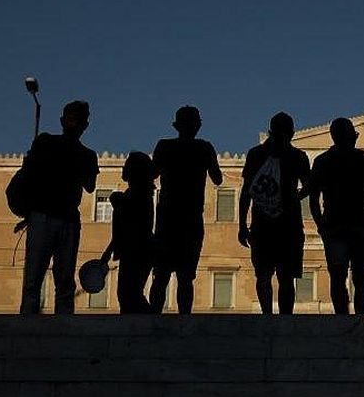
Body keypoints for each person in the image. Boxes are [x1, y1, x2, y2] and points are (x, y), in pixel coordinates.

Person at [19, 101, 99, 314]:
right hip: (46, 216)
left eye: (77, 120)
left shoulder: (85, 154)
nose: (74, 125)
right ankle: (29, 324)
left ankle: (58, 324)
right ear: (63, 121)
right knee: (36, 279)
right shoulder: (47, 143)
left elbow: (90, 186)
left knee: (62, 282)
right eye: (72, 119)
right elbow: (29, 173)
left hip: (64, 219)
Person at [309, 118, 364, 314]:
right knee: (361, 278)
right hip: (360, 227)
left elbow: (313, 199)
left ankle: (341, 320)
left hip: (335, 228)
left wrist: (321, 226)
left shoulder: (322, 161)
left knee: (338, 277)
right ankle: (359, 320)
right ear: (351, 137)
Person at [149, 106, 222, 314]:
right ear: (198, 125)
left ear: (176, 126)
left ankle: (156, 317)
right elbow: (217, 178)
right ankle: (183, 320)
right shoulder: (204, 148)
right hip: (188, 218)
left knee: (163, 275)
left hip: (169, 218)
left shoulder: (165, 147)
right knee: (184, 276)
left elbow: (152, 174)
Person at [238, 112, 310, 314]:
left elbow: (246, 192)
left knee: (267, 275)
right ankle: (280, 318)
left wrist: (242, 225)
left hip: (267, 224)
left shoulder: (256, 155)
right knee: (281, 276)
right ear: (292, 134)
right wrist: (293, 198)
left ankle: (268, 316)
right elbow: (308, 187)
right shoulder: (297, 156)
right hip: (285, 225)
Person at [102, 152, 155, 314]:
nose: (124, 169)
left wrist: (119, 201)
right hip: (135, 250)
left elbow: (129, 227)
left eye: (127, 166)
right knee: (129, 294)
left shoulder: (138, 195)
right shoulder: (137, 194)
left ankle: (153, 321)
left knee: (129, 295)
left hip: (137, 250)